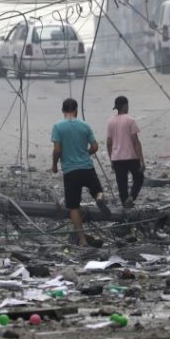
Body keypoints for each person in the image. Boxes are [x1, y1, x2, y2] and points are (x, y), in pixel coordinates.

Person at [52, 98, 112, 247]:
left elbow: (57, 149)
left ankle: (83, 240)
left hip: (70, 171)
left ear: (63, 110)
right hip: (87, 167)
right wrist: (85, 153)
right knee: (98, 190)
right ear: (76, 110)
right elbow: (95, 147)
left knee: (73, 206)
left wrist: (54, 164)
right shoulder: (85, 125)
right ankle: (99, 197)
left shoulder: (58, 127)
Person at [106, 95, 145, 208]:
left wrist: (111, 159)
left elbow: (109, 143)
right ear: (125, 106)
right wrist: (141, 161)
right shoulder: (130, 120)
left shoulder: (110, 121)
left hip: (117, 158)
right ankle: (132, 197)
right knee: (139, 178)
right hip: (131, 157)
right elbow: (136, 142)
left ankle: (126, 210)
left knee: (122, 184)